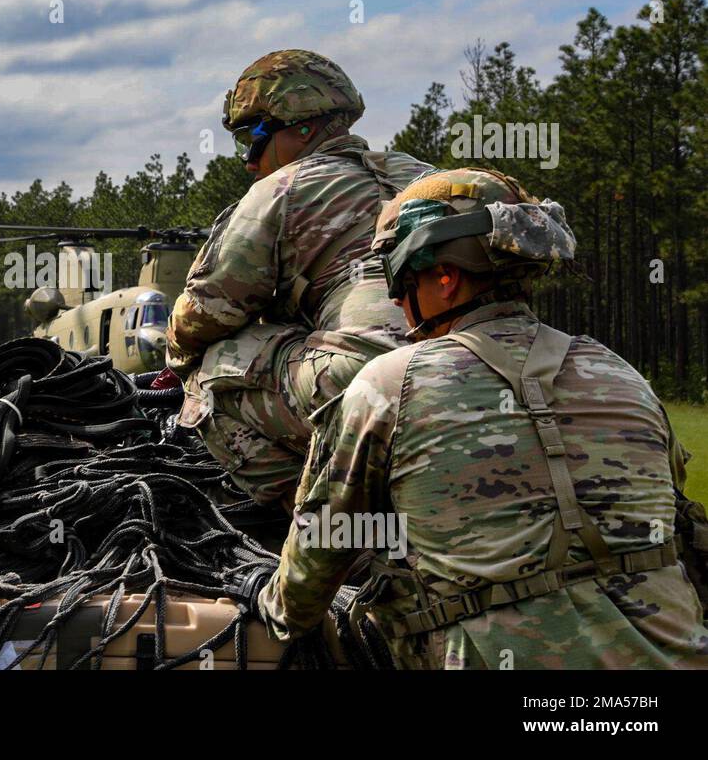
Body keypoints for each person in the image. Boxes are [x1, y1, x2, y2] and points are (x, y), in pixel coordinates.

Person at [238, 167, 708, 669]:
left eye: (401, 278)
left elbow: (311, 573)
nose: (396, 301)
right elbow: (671, 513)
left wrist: (263, 599)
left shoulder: (390, 384)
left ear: (446, 277)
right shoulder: (621, 373)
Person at [167, 49, 433, 509]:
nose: (249, 160)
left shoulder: (280, 190)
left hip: (374, 388)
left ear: (303, 128)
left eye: (251, 137)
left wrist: (174, 362)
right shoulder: (424, 177)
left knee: (210, 375)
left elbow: (206, 314)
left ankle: (325, 525)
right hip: (470, 377)